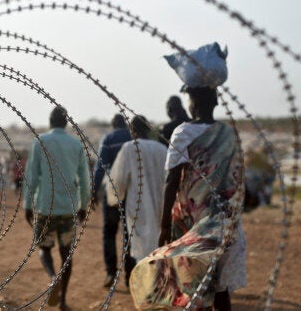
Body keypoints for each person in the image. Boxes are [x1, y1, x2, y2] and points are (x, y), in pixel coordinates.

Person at [130, 86, 246, 310]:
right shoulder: (230, 134)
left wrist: (164, 225)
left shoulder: (184, 132)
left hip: (193, 223)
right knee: (221, 291)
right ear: (215, 102)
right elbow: (239, 177)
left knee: (195, 289)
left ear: (193, 103)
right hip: (225, 221)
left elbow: (172, 179)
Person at [23, 106, 90, 311]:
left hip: (45, 205)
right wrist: (83, 205)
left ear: (50, 122)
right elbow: (84, 179)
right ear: (66, 123)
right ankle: (62, 301)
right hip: (68, 207)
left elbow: (32, 176)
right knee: (66, 254)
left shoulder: (40, 142)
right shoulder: (76, 144)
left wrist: (27, 204)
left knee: (43, 247)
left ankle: (53, 277)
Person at [106, 115, 167, 288]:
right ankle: (157, 285)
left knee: (140, 247)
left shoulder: (129, 148)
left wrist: (115, 198)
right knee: (158, 244)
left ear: (132, 130)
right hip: (161, 204)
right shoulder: (161, 149)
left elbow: (117, 181)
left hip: (138, 205)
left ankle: (145, 289)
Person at [92, 113, 132, 288]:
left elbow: (100, 167)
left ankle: (110, 272)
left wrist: (94, 190)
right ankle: (130, 275)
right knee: (128, 233)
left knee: (109, 232)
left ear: (113, 124)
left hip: (113, 191)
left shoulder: (108, 139)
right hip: (131, 191)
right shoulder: (133, 137)